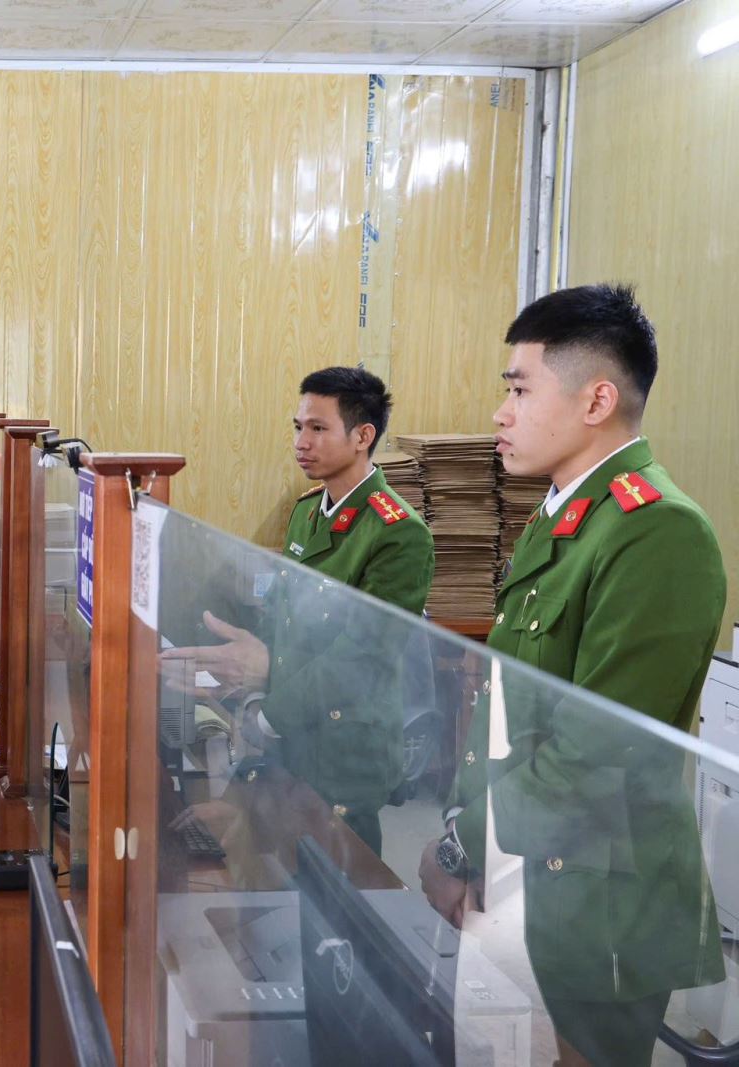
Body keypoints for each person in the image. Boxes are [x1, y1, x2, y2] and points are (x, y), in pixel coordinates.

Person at [422, 284, 726, 1066]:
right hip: (522, 872)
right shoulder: (563, 517)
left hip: (598, 904)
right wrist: (471, 835)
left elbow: (594, 754)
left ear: (596, 400)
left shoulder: (657, 530)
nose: (501, 413)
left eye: (520, 389)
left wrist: (462, 843)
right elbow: (507, 711)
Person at [169, 366, 433, 855]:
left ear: (363, 437)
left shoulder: (397, 533)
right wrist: (248, 673)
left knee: (343, 884)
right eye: (298, 427)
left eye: (318, 428)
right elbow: (282, 620)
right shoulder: (308, 512)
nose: (301, 442)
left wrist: (266, 715)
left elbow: (360, 659)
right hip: (292, 733)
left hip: (344, 750)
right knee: (278, 870)